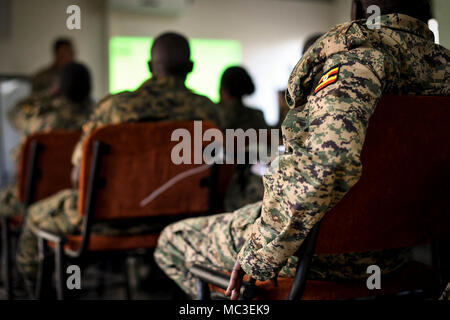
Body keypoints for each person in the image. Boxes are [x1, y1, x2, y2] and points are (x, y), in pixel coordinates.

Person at [154, 0, 449, 299]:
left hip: (315, 255)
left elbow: (327, 163)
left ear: (358, 10)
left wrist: (257, 252)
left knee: (171, 240)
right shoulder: (443, 74)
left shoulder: (356, 62)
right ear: (429, 14)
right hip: (399, 253)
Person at [15, 32, 222, 294]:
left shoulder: (115, 107)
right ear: (191, 68)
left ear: (149, 67)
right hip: (185, 221)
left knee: (34, 216)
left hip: (106, 222)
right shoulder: (209, 112)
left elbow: (78, 177)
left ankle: (28, 291)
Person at [0, 62, 93, 220]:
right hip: (80, 197)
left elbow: (13, 114)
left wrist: (50, 94)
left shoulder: (42, 120)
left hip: (35, 197)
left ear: (58, 88)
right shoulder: (95, 120)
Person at [218, 66, 269, 211]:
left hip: (224, 194)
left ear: (222, 90)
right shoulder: (258, 116)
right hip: (256, 193)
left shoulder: (217, 117)